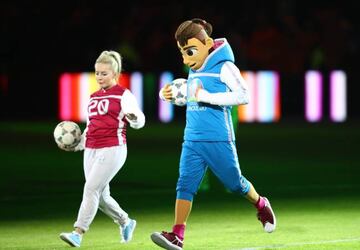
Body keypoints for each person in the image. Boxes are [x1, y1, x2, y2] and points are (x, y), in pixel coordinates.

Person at [151, 18, 276, 250]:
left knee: (235, 184)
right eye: (182, 53)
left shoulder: (225, 67)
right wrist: (164, 94)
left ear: (207, 43)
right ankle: (177, 235)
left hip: (218, 138)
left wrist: (206, 97)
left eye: (189, 51)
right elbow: (189, 95)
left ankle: (260, 203)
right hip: (192, 139)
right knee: (185, 184)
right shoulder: (194, 67)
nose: (186, 58)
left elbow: (243, 96)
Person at [59, 50, 145, 247]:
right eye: (97, 73)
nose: (99, 77)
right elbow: (91, 127)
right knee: (101, 196)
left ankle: (78, 232)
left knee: (90, 189)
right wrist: (76, 145)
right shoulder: (93, 96)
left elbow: (139, 120)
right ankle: (126, 221)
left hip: (113, 148)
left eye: (104, 73)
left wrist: (134, 119)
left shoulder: (124, 95)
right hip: (91, 149)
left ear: (115, 74)